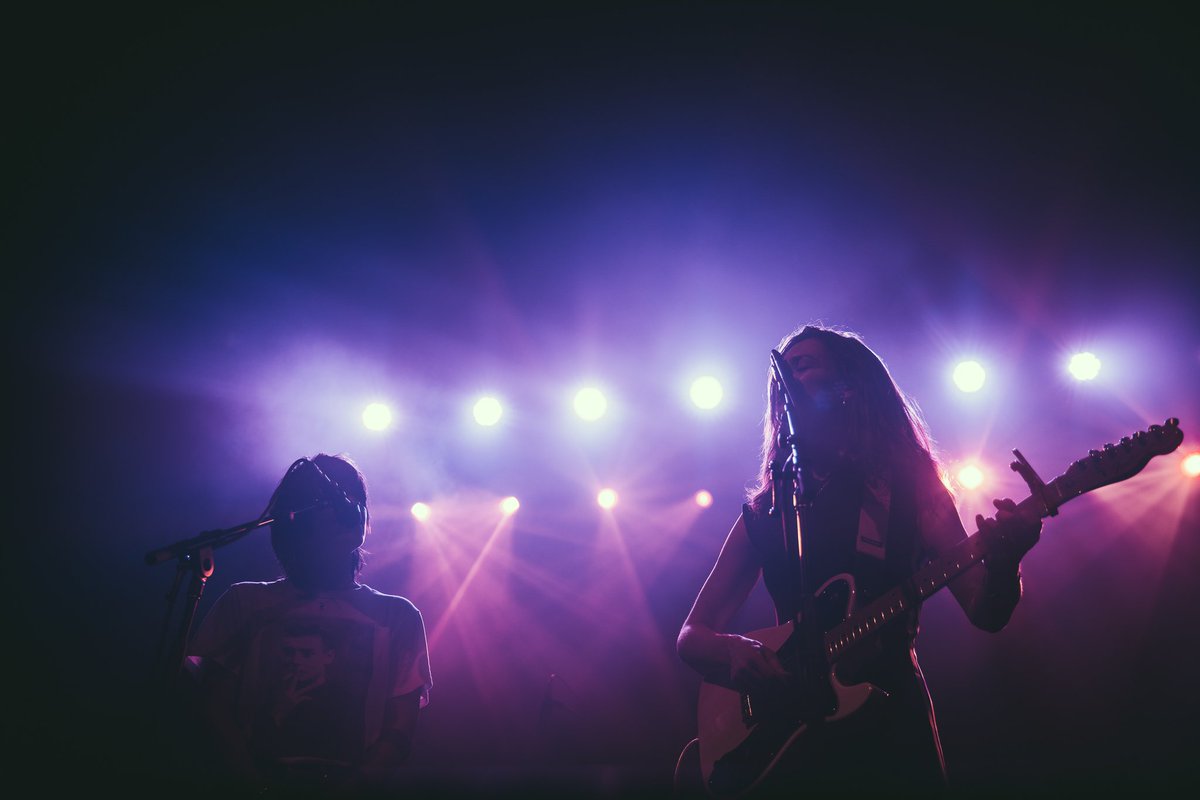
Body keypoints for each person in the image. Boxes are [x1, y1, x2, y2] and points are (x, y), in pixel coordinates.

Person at [676, 324, 1042, 796]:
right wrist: (731, 650)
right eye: (782, 371)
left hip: (889, 725)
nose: (786, 374)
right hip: (789, 740)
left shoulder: (910, 490)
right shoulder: (768, 510)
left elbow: (986, 611)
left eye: (803, 364)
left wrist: (1006, 562)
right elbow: (691, 636)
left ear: (848, 387)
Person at [182, 453, 432, 795]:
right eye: (315, 504)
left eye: (343, 501)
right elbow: (211, 708)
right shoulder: (244, 603)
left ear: (359, 520)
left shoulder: (398, 617)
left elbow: (400, 732)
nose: (331, 515)